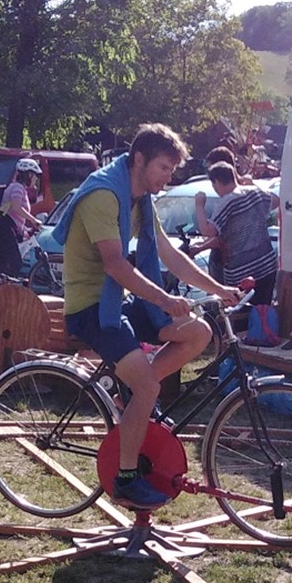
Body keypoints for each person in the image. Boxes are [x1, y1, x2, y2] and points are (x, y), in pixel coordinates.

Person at [58, 123, 240, 510]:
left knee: (198, 333)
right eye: (163, 168)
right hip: (92, 308)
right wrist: (164, 299)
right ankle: (126, 479)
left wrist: (218, 289)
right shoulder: (104, 194)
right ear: (138, 159)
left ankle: (134, 397)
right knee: (147, 388)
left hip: (117, 301)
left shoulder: (139, 198)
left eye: (171, 170)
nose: (167, 178)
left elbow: (169, 255)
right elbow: (116, 265)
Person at [192, 160, 279, 306]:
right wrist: (251, 184)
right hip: (267, 266)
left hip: (242, 274)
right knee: (263, 311)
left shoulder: (227, 202)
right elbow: (276, 200)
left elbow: (208, 231)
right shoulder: (254, 192)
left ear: (217, 181)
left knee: (240, 314)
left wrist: (199, 205)